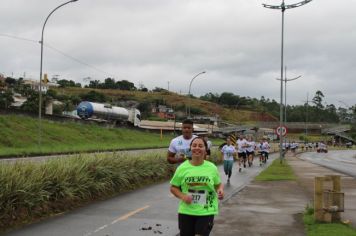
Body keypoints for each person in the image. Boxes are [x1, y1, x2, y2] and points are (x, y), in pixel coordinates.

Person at [170, 137, 224, 236]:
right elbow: (173, 187)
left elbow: (218, 184)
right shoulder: (182, 168)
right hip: (186, 210)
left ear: (205, 149)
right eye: (194, 145)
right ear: (190, 148)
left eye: (200, 146)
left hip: (206, 210)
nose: (197, 148)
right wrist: (183, 196)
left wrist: (220, 190)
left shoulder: (212, 167)